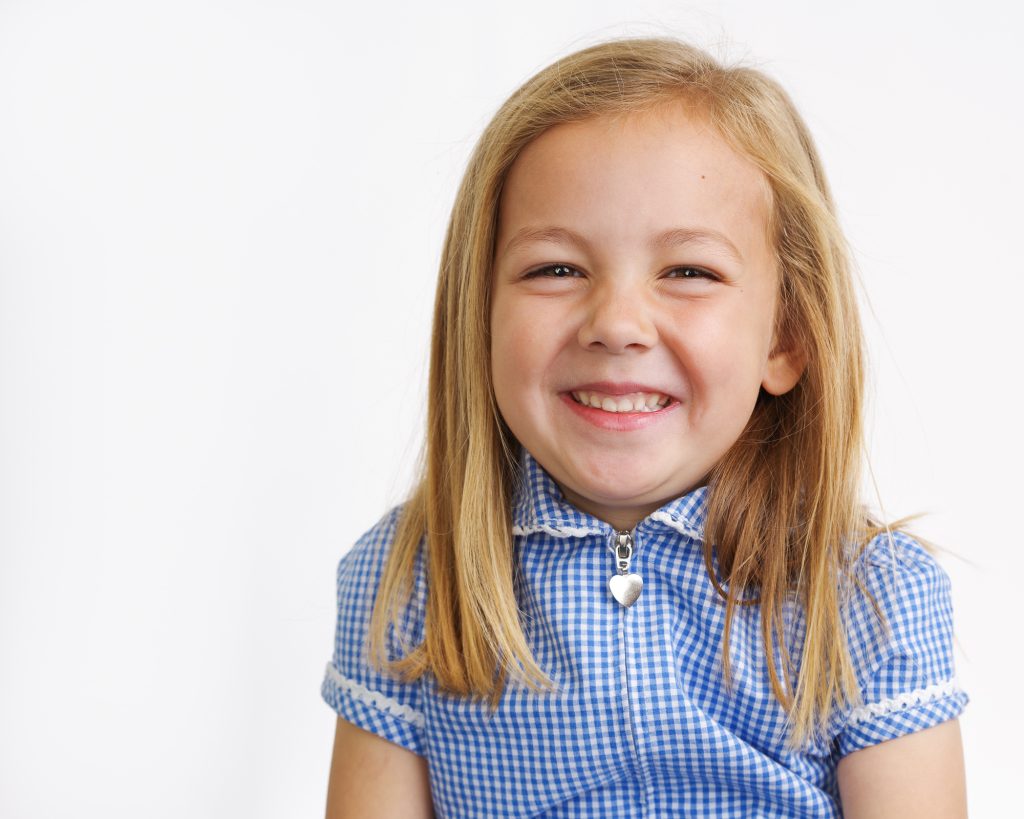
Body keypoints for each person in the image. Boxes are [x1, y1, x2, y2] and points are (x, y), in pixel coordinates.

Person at [320, 37, 969, 818]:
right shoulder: (409, 582)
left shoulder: (868, 596)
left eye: (688, 272)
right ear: (479, 316)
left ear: (785, 337)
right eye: (555, 268)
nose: (617, 323)